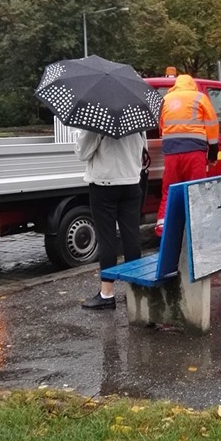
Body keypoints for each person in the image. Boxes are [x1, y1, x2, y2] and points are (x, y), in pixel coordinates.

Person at [75, 130, 146, 310]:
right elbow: (143, 149)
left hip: (104, 186)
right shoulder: (136, 117)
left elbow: (82, 153)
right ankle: (134, 290)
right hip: (131, 184)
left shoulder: (96, 120)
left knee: (107, 239)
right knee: (132, 237)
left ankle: (107, 294)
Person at [155, 74, 219, 237]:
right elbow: (212, 125)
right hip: (194, 151)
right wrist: (213, 154)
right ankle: (198, 229)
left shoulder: (166, 99)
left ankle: (162, 229)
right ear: (192, 85)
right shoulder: (199, 97)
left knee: (169, 190)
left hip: (171, 153)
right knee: (196, 190)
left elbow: (161, 127)